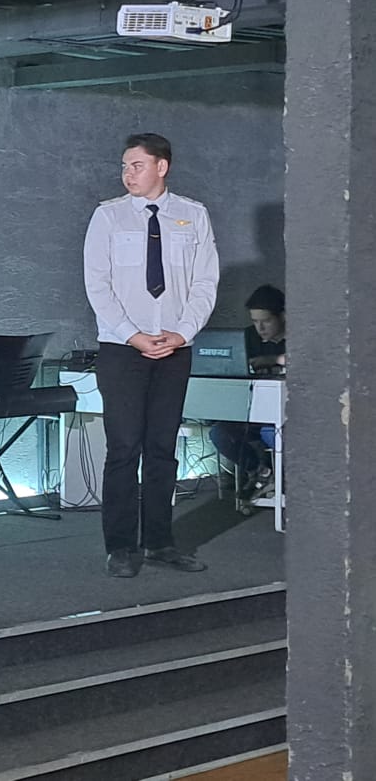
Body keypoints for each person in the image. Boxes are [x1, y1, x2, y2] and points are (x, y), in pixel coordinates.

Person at [83, 133, 220, 578]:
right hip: (123, 349)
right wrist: (133, 335)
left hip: (174, 347)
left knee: (163, 447)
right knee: (124, 447)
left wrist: (182, 333)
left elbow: (205, 283)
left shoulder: (193, 215)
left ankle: (160, 542)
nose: (128, 174)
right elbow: (97, 285)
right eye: (124, 166)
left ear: (162, 166)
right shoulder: (108, 216)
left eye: (137, 165)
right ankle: (121, 547)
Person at [208, 284, 286, 504]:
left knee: (273, 434)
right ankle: (261, 472)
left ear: (282, 316)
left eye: (266, 321)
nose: (260, 328)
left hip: (284, 415)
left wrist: (272, 360)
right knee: (219, 433)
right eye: (255, 321)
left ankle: (282, 481)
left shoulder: (299, 336)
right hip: (251, 412)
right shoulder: (248, 337)